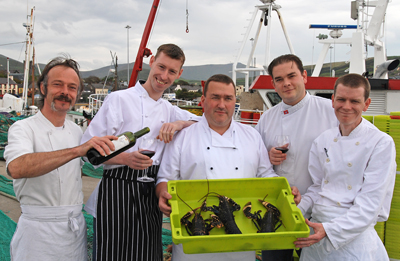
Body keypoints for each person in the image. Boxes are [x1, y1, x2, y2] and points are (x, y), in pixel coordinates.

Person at [156, 74, 300, 260]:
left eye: (228, 98)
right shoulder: (182, 137)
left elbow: (266, 175)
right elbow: (165, 179)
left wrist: (287, 192)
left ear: (235, 101)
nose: (221, 104)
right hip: (192, 245)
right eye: (215, 97)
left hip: (241, 240)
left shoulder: (252, 135)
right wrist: (163, 194)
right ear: (203, 100)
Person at [81, 43, 200, 261]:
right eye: (161, 67)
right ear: (151, 61)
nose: (164, 76)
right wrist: (126, 158)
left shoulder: (169, 109)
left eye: (172, 71)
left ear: (179, 74)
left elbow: (203, 123)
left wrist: (179, 124)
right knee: (112, 255)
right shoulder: (119, 99)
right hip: (116, 189)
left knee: (148, 254)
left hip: (150, 194)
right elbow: (89, 147)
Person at [4, 56, 116, 260]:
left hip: (73, 231)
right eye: (58, 84)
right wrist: (77, 151)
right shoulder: (23, 128)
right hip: (37, 234)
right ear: (43, 88)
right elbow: (17, 167)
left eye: (72, 87)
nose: (65, 92)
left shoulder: (76, 130)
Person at [294, 73, 396, 260]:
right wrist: (296, 209)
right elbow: (319, 188)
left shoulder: (380, 143)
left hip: (353, 238)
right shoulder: (322, 140)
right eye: (341, 99)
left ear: (366, 104)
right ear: (332, 101)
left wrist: (330, 229)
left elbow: (370, 205)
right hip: (316, 230)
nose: (346, 107)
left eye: (354, 101)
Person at [255, 54, 338, 261]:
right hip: (277, 211)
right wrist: (268, 155)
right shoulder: (267, 118)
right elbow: (254, 159)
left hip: (319, 212)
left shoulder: (330, 111)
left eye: (292, 76)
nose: (287, 83)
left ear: (304, 76)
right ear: (273, 84)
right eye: (279, 79)